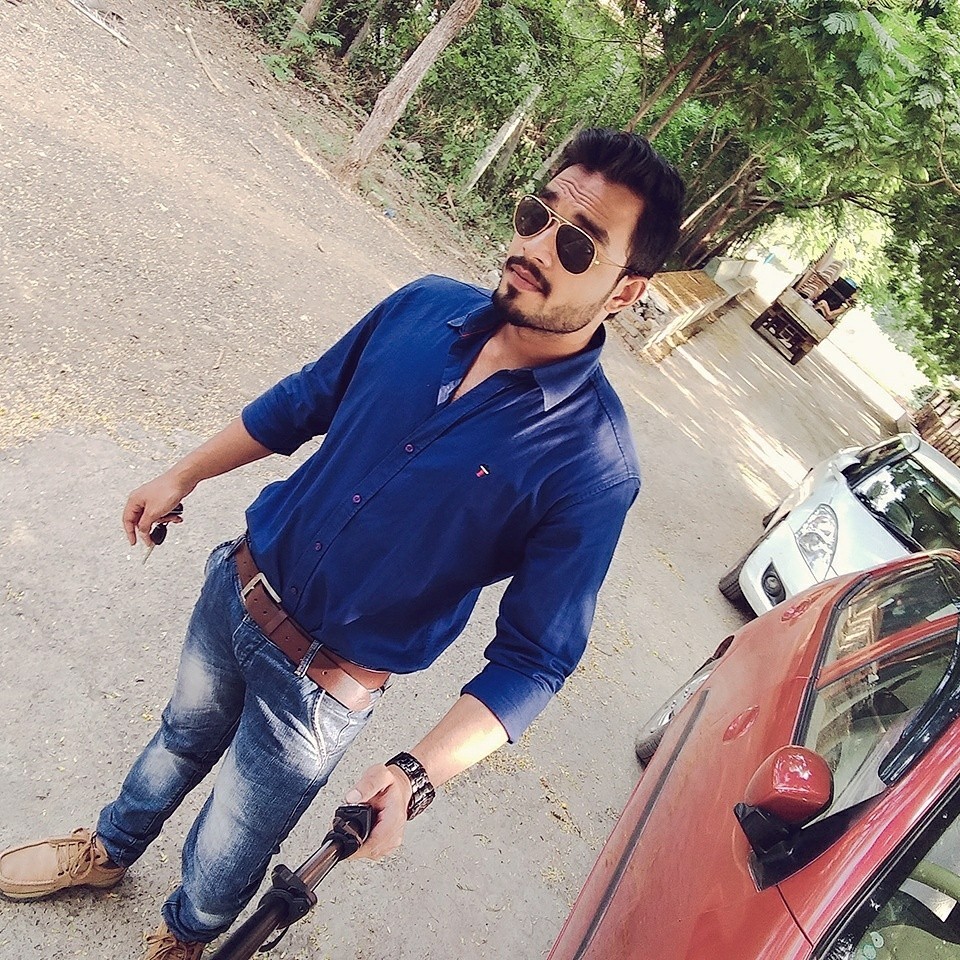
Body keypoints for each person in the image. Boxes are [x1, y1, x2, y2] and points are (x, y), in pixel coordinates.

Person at [0, 128, 685, 959]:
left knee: (232, 838)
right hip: (235, 590)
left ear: (625, 290)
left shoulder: (592, 465)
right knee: (177, 737)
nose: (537, 246)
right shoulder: (422, 306)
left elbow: (535, 659)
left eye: (577, 244)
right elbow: (304, 400)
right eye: (536, 214)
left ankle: (185, 938)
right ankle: (109, 849)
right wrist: (183, 473)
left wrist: (417, 773)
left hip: (320, 690)